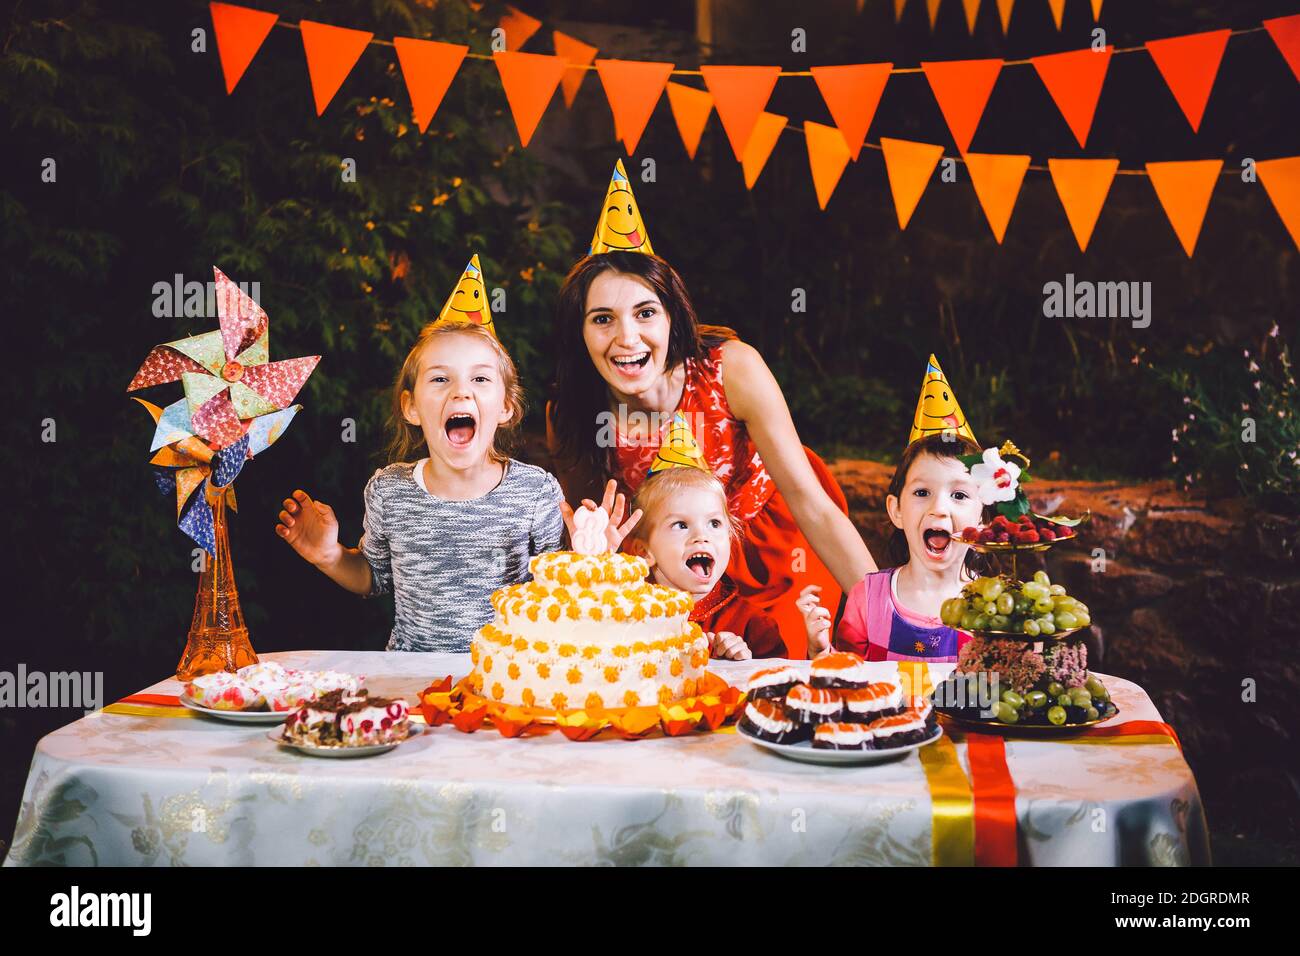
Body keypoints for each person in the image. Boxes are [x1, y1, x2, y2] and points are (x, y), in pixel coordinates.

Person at [547, 163, 876, 656]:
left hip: (773, 543)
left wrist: (891, 621)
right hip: (672, 560)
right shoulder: (572, 416)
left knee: (777, 665)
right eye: (602, 319)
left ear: (672, 317)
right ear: (580, 333)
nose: (626, 338)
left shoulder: (732, 370)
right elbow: (606, 544)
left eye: (645, 313)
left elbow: (812, 504)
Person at [276, 258, 567, 652]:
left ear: (505, 408)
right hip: (411, 680)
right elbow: (373, 578)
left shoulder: (535, 492)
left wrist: (586, 558)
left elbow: (560, 595)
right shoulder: (389, 491)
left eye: (480, 379)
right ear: (411, 407)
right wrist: (329, 556)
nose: (461, 392)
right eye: (440, 379)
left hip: (510, 681)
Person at [800, 432, 989, 663]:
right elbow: (847, 676)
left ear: (982, 521)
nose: (938, 507)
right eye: (922, 492)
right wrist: (819, 651)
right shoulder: (867, 599)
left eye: (959, 495)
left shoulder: (992, 606)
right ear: (897, 510)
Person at [624, 414, 786, 661]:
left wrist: (742, 664)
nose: (701, 536)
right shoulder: (628, 614)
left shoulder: (752, 625)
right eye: (680, 525)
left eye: (714, 523)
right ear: (644, 551)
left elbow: (777, 682)